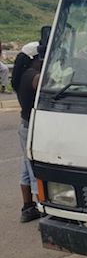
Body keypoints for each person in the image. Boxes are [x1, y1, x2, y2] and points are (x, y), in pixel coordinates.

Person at [15, 41, 42, 222]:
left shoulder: (22, 75)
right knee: (35, 170)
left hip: (24, 126)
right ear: (35, 58)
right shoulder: (34, 76)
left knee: (26, 167)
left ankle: (27, 207)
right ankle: (43, 208)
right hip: (32, 129)